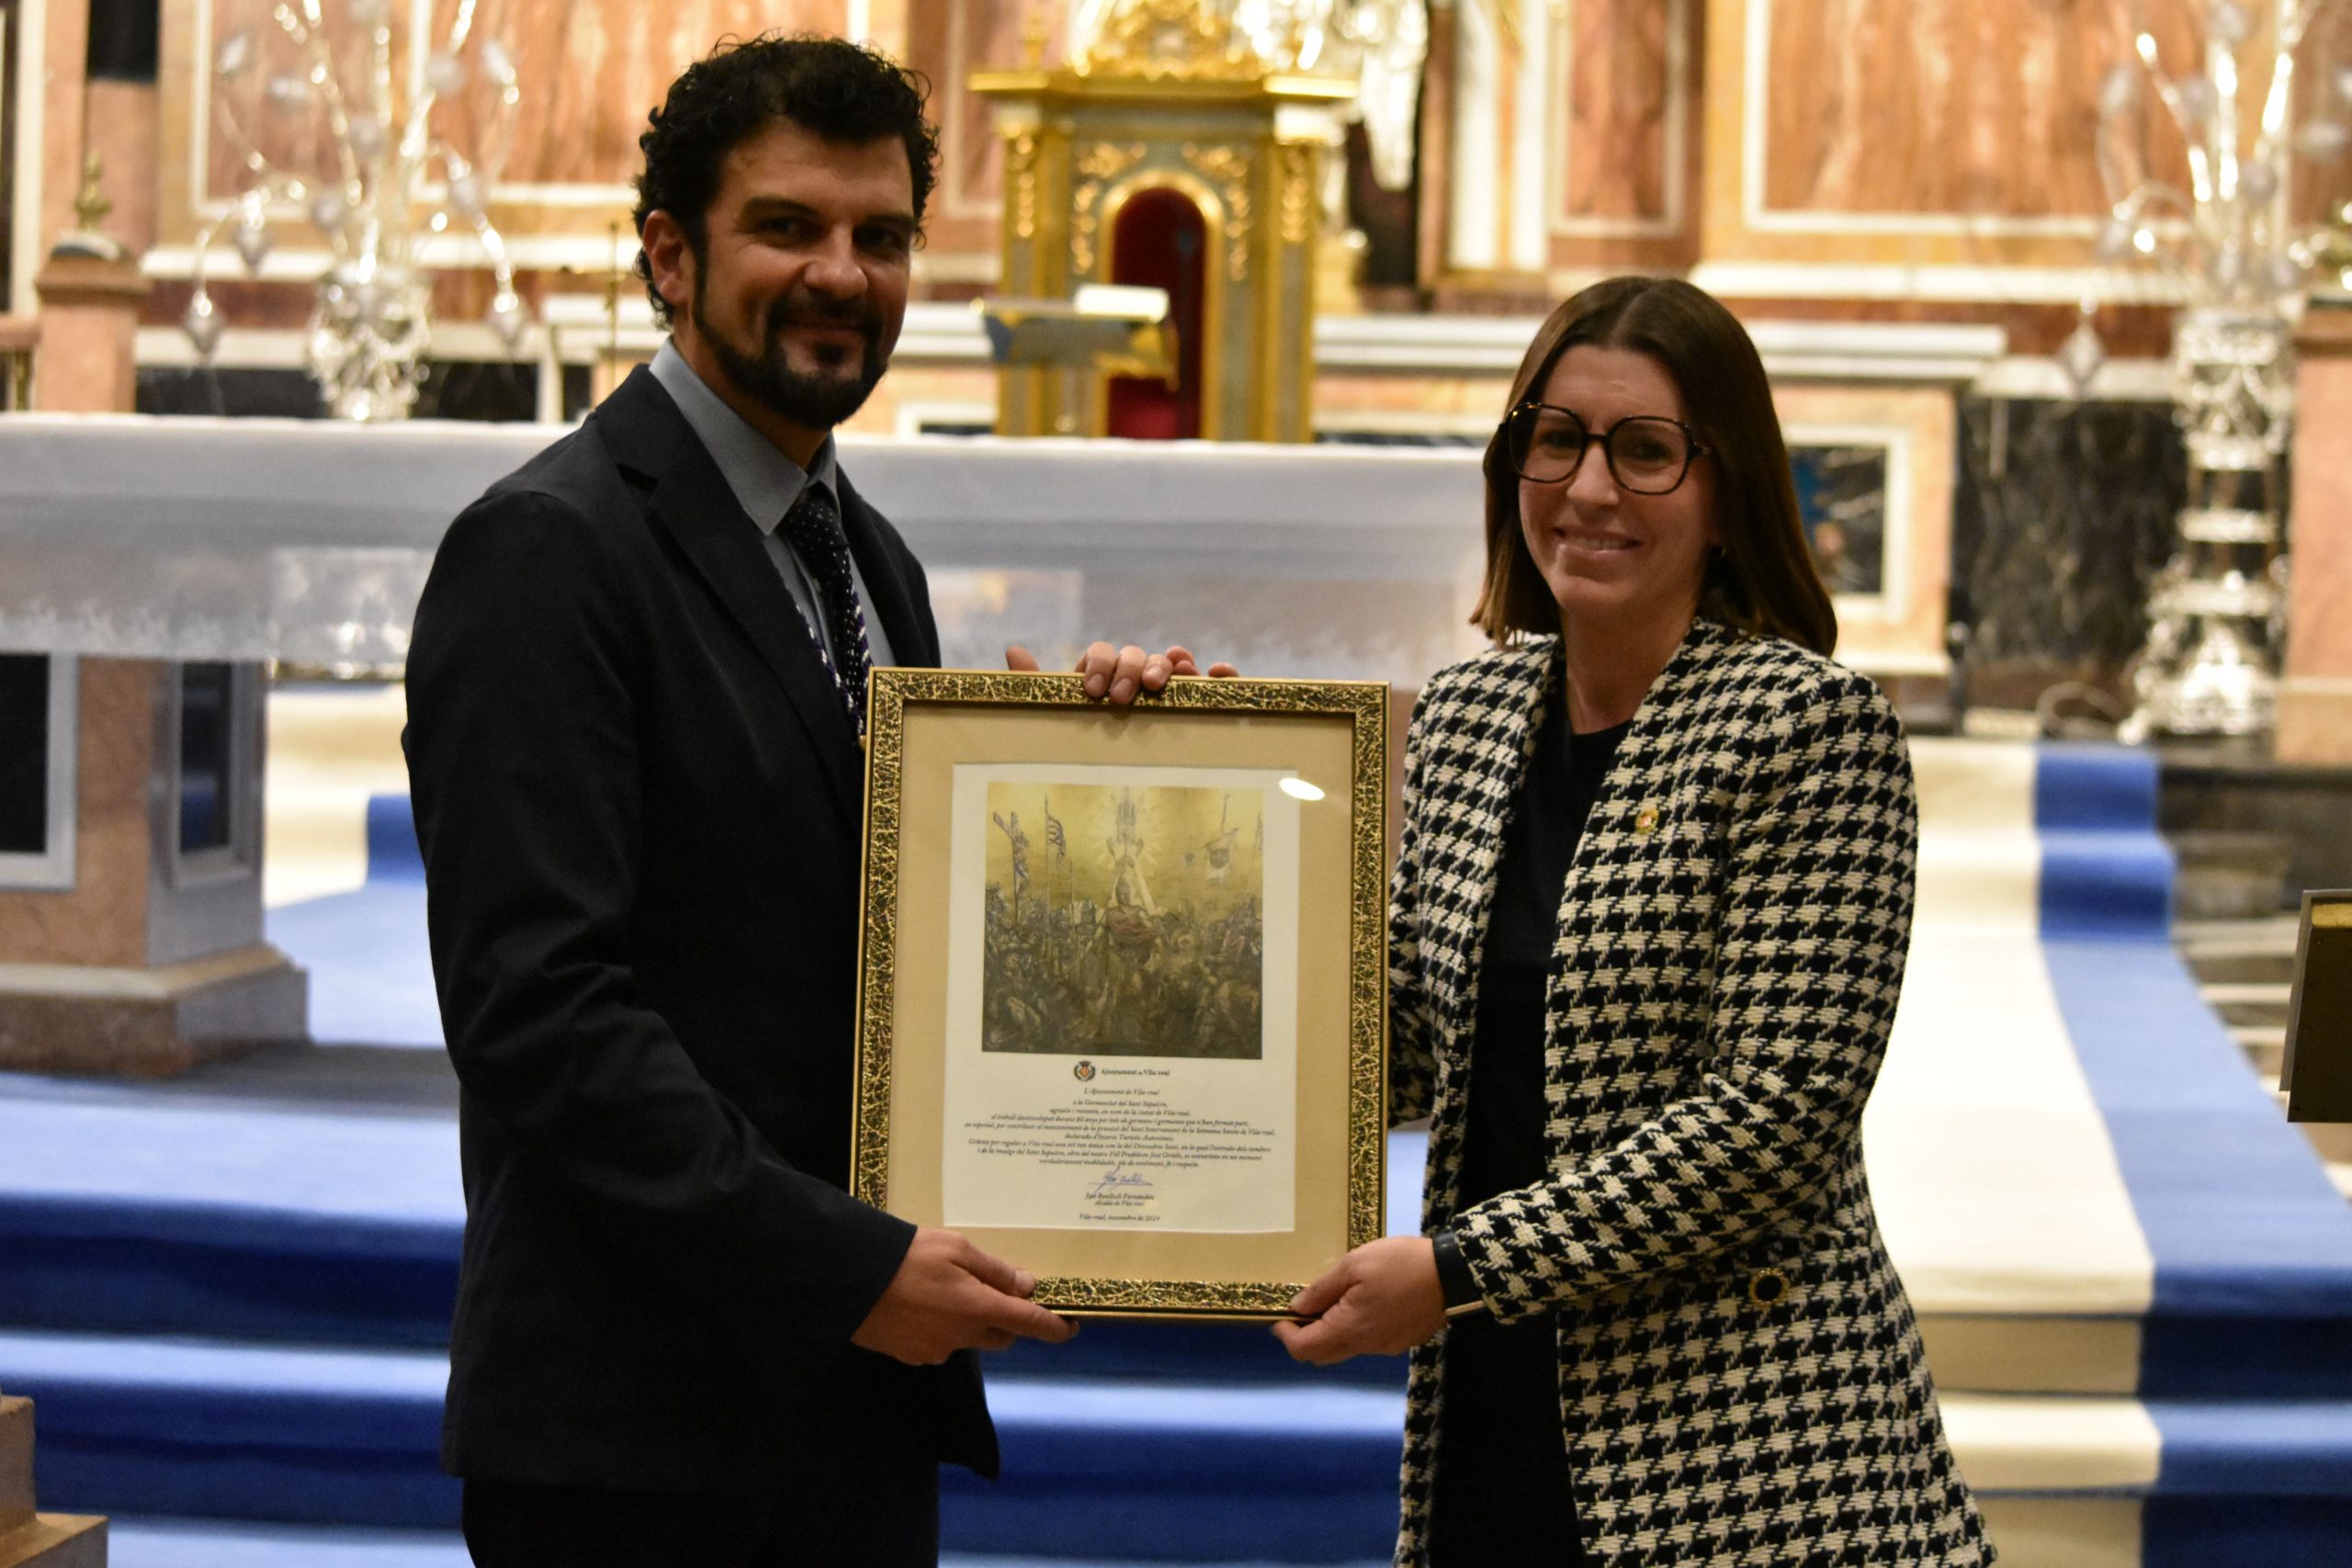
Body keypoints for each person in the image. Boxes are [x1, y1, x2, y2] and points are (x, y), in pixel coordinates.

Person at [404, 34, 1214, 1567]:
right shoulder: (550, 551)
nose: (843, 274)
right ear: (669, 252)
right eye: (788, 226)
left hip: (845, 1410)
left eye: (883, 235)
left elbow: (885, 953)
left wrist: (1126, 782)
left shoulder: (867, 558)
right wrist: (847, 1268)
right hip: (635, 1436)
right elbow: (539, 1016)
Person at [1272, 277, 1993, 1566]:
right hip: (1496, 1408)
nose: (1591, 489)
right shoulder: (1468, 717)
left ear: (1726, 493)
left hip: (1740, 1451)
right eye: (1558, 439)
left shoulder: (1810, 732)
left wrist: (1455, 1269)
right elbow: (1401, 1045)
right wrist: (1177, 792)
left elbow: (1770, 1120)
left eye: (1645, 451)